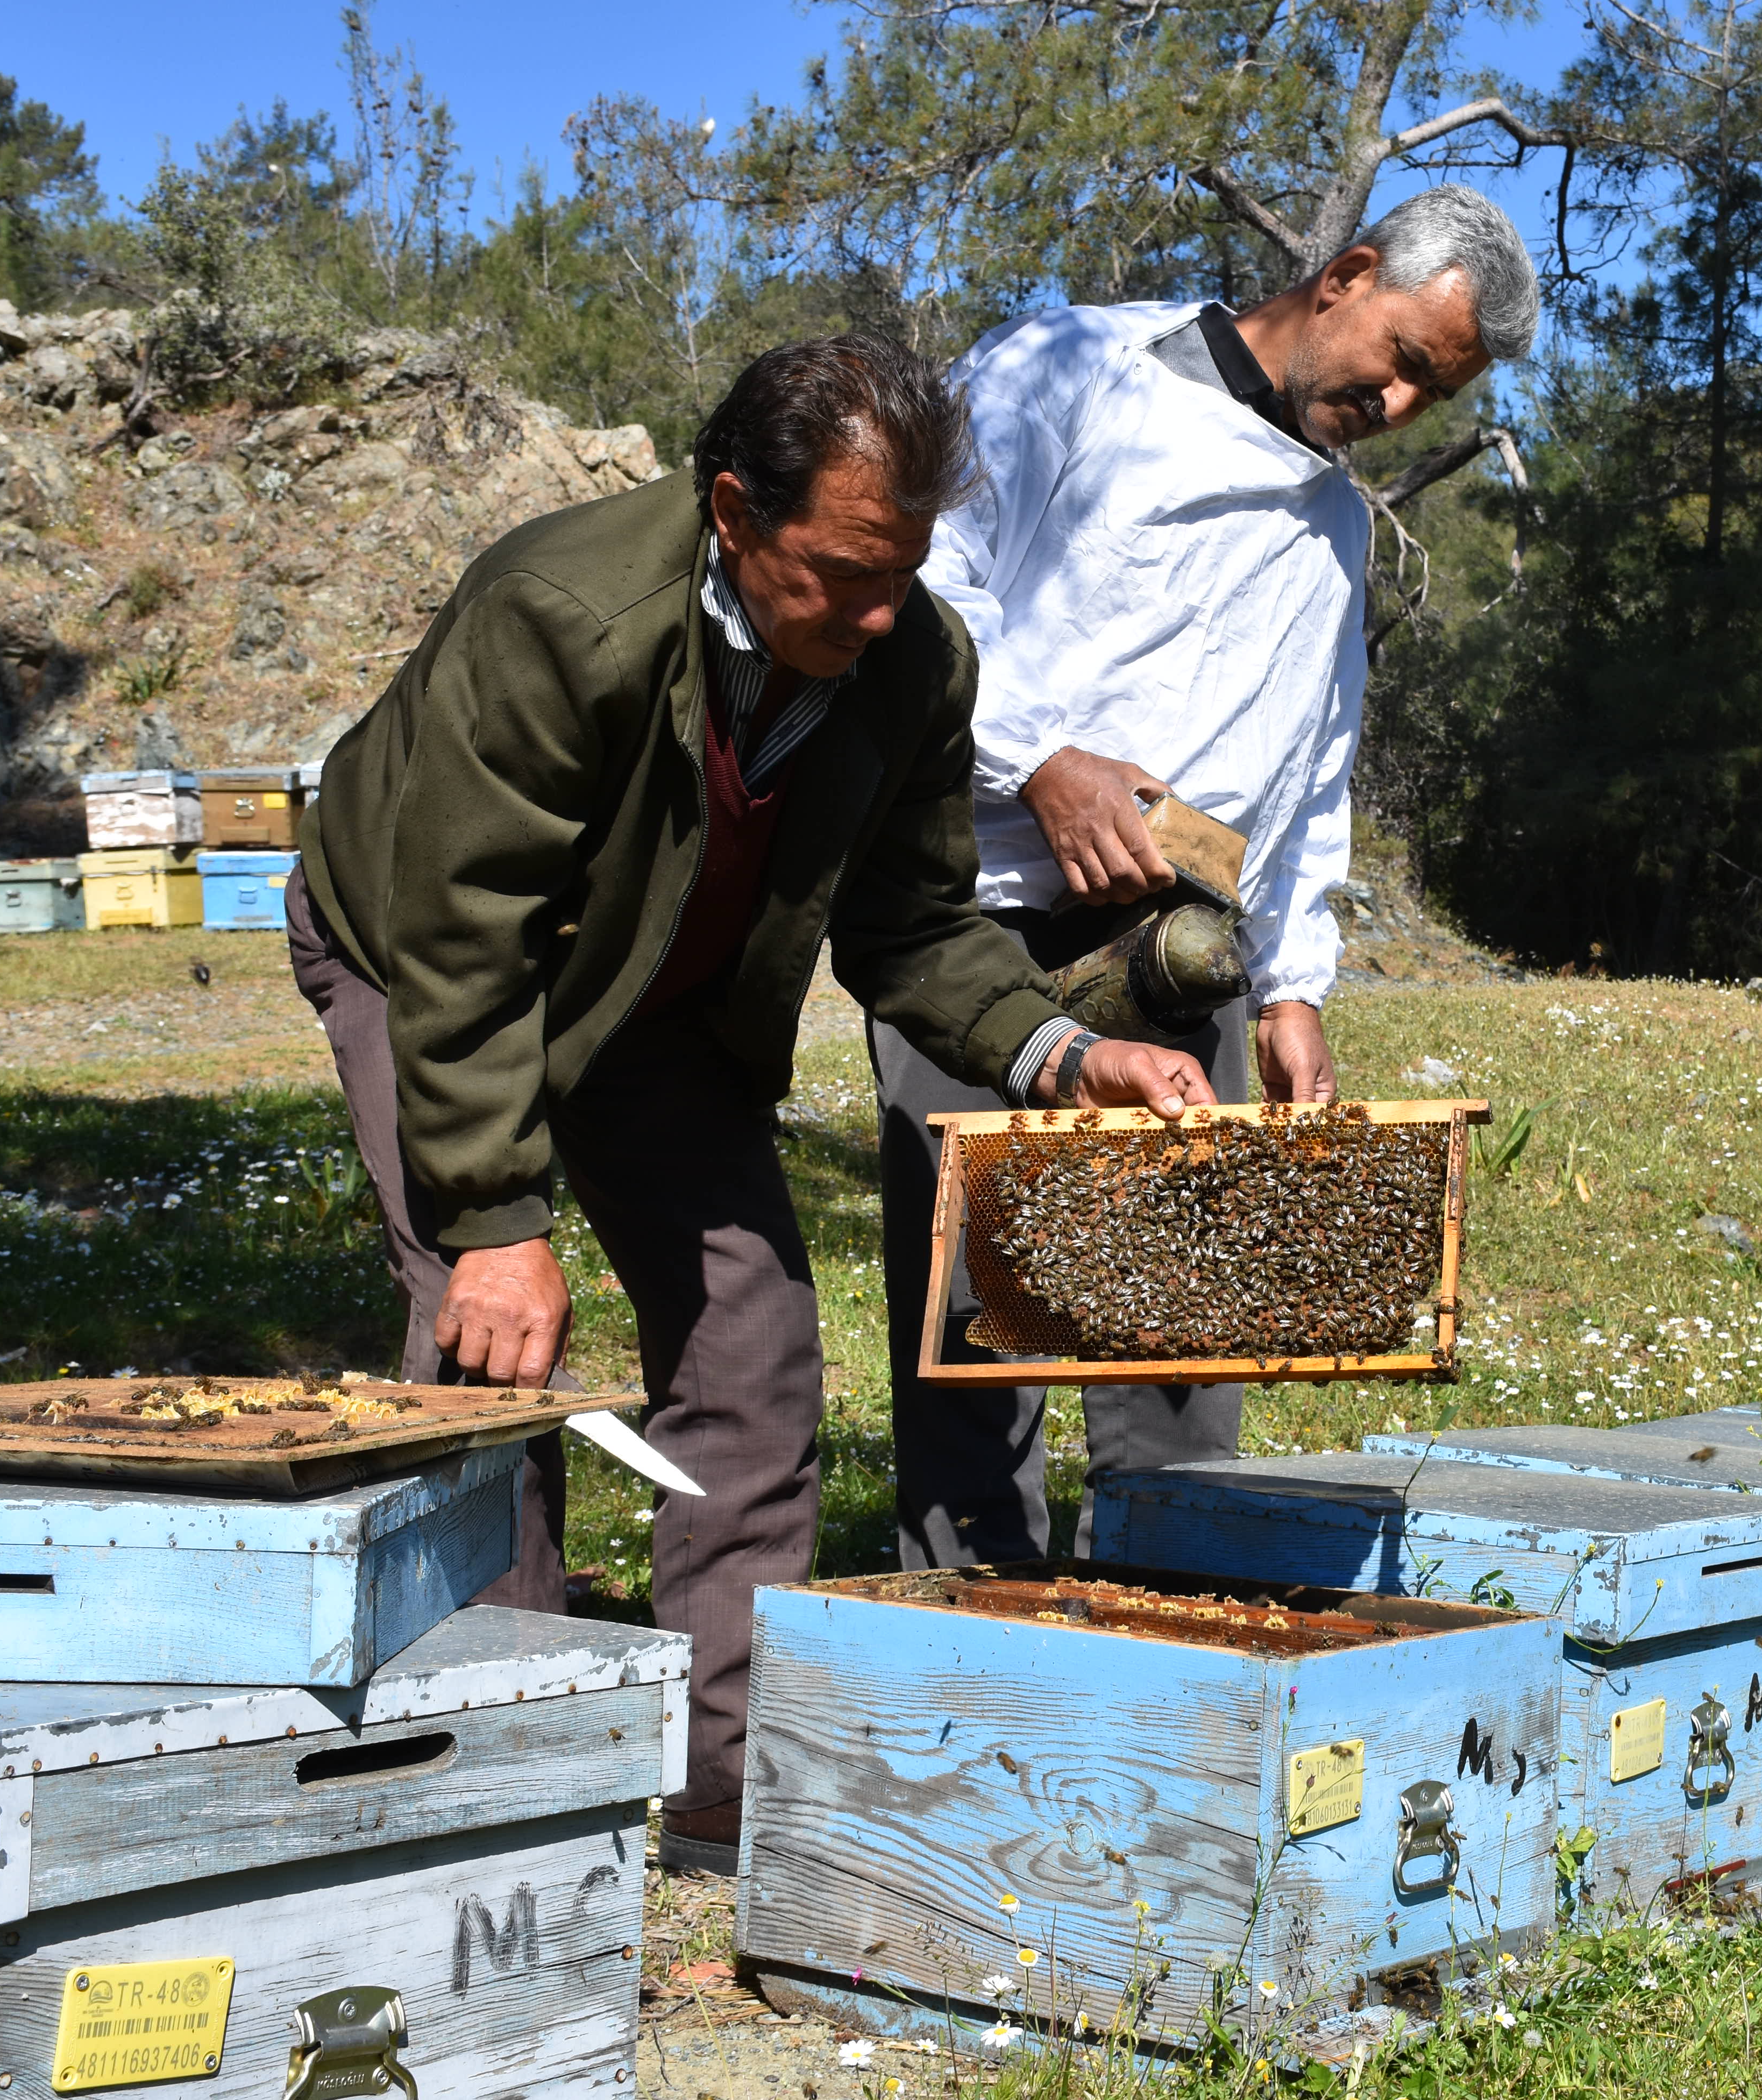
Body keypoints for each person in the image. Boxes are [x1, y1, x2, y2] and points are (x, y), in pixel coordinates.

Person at [288, 333, 1216, 1871]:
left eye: (903, 571)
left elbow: (914, 929)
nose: (876, 611)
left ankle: (719, 1783)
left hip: (662, 999)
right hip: (424, 955)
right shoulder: (561, 613)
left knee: (756, 1344)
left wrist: (1062, 1053)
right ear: (733, 511)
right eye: (844, 571)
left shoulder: (912, 662)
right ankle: (526, 1776)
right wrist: (501, 1221)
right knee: (489, 1347)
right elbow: (464, 944)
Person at [880, 183, 1540, 1565]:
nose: (1406, 404)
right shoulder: (1071, 371)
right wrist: (1039, 759)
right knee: (975, 1341)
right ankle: (959, 1668)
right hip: (983, 931)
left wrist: (1296, 988)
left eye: (1440, 390)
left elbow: (1310, 780)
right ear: (1349, 276)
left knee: (1180, 1361)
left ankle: (1164, 1659)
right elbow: (918, 593)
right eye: (1407, 358)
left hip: (1185, 961)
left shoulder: (1340, 531)